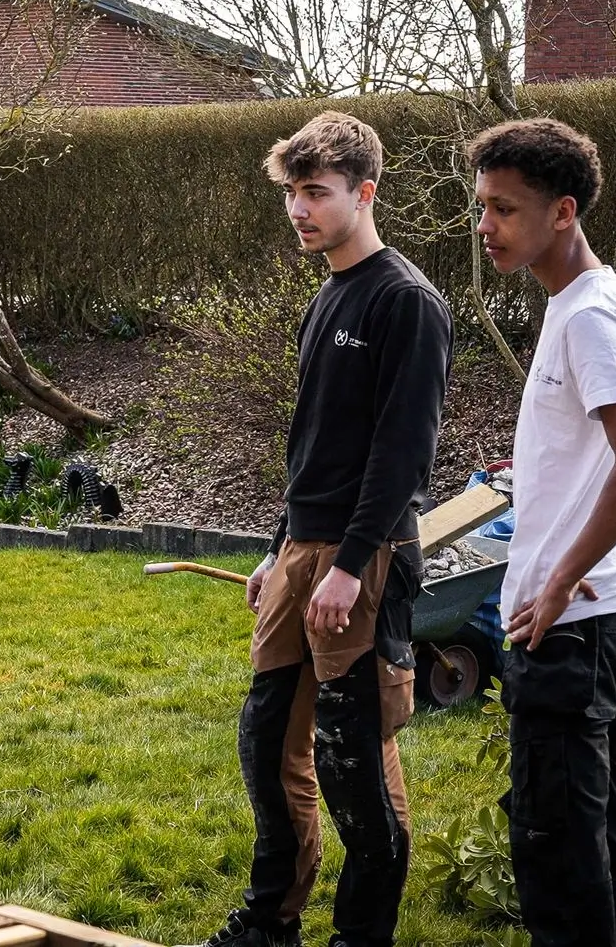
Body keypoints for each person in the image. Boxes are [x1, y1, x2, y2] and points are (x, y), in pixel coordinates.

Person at [190, 111, 453, 947]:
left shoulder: (405, 301)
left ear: (364, 192)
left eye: (316, 192)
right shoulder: (326, 296)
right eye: (292, 194)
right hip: (305, 550)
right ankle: (272, 921)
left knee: (355, 765)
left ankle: (360, 935)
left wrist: (344, 565)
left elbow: (401, 453)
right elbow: (314, 443)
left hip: (366, 559)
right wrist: (279, 548)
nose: (299, 210)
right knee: (270, 744)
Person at [468, 118, 616, 947]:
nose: (485, 225)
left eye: (504, 209)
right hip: (594, 623)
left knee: (557, 858)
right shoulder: (587, 301)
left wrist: (564, 575)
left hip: (571, 630)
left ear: (562, 212)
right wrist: (612, 550)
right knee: (597, 844)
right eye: (481, 206)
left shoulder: (589, 315)